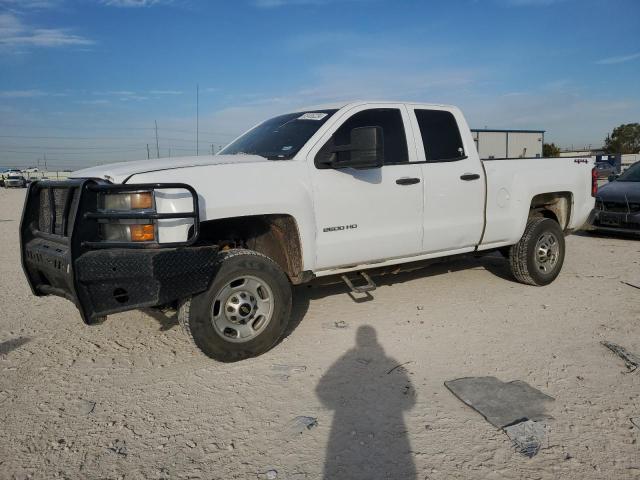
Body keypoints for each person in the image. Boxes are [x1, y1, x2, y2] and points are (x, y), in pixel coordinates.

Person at [316, 325, 416, 479]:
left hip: (344, 423)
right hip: (388, 426)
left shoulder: (347, 358)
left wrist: (335, 404)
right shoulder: (389, 360)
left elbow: (321, 390)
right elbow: (410, 403)